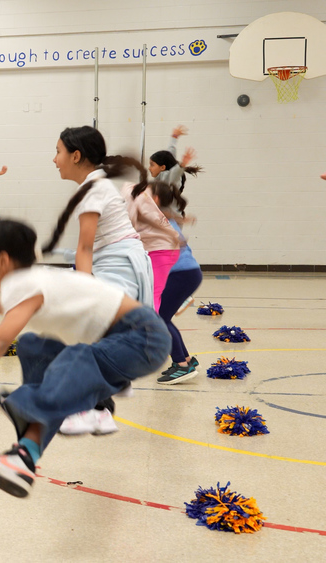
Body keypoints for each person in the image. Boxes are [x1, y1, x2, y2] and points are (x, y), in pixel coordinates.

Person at [0, 220, 169, 498]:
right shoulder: (29, 280)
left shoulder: (23, 283)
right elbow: (15, 303)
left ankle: (39, 404)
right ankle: (21, 460)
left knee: (75, 357)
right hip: (119, 340)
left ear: (3, 260)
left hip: (141, 337)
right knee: (34, 345)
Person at [42, 126, 154, 436]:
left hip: (119, 267)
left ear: (75, 156)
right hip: (121, 264)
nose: (54, 160)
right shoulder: (95, 186)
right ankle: (105, 404)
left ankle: (96, 407)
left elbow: (86, 248)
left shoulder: (92, 189)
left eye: (58, 152)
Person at [153, 182, 202, 384]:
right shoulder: (161, 217)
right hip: (188, 273)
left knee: (160, 319)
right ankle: (186, 360)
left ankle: (181, 365)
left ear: (154, 200)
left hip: (181, 274)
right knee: (163, 318)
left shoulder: (156, 220)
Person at [120, 179, 180, 312]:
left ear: (155, 199)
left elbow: (130, 220)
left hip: (162, 251)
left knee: (152, 295)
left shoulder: (139, 195)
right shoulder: (141, 194)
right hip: (155, 250)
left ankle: (152, 327)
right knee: (146, 294)